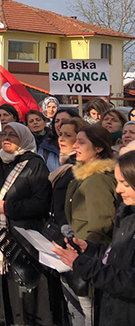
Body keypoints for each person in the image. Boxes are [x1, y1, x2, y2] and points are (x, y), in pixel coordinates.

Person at [0, 122, 52, 326]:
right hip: (2, 239)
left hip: (25, 239)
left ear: (24, 139)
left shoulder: (34, 164)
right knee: (7, 287)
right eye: (4, 134)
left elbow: (41, 202)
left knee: (25, 288)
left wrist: (10, 208)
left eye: (13, 135)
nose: (7, 138)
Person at [53, 150, 135, 325]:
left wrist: (86, 266)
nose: (118, 190)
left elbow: (130, 282)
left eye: (125, 184)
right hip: (112, 310)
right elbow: (120, 256)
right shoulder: (127, 213)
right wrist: (91, 249)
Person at [63, 124, 117, 325]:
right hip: (81, 259)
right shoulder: (84, 177)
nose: (75, 145)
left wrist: (86, 261)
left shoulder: (97, 181)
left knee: (89, 315)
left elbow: (100, 228)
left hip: (89, 263)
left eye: (81, 141)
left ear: (98, 148)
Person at [44, 118, 87, 241]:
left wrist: (59, 239)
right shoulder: (65, 165)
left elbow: (74, 210)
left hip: (65, 236)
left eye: (68, 135)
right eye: (60, 134)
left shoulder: (78, 170)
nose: (61, 139)